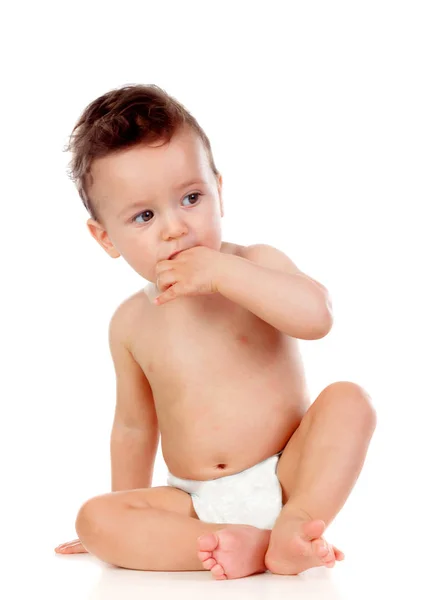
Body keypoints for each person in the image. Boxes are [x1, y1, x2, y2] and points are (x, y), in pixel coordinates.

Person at [54, 84, 376, 580]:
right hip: (193, 499)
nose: (175, 228)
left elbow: (318, 317)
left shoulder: (256, 264)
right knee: (96, 518)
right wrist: (127, 511)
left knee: (350, 402)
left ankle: (296, 523)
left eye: (190, 197)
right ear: (106, 238)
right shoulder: (129, 323)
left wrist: (225, 275)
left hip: (287, 470)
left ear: (218, 190)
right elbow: (135, 428)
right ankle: (243, 545)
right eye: (144, 216)